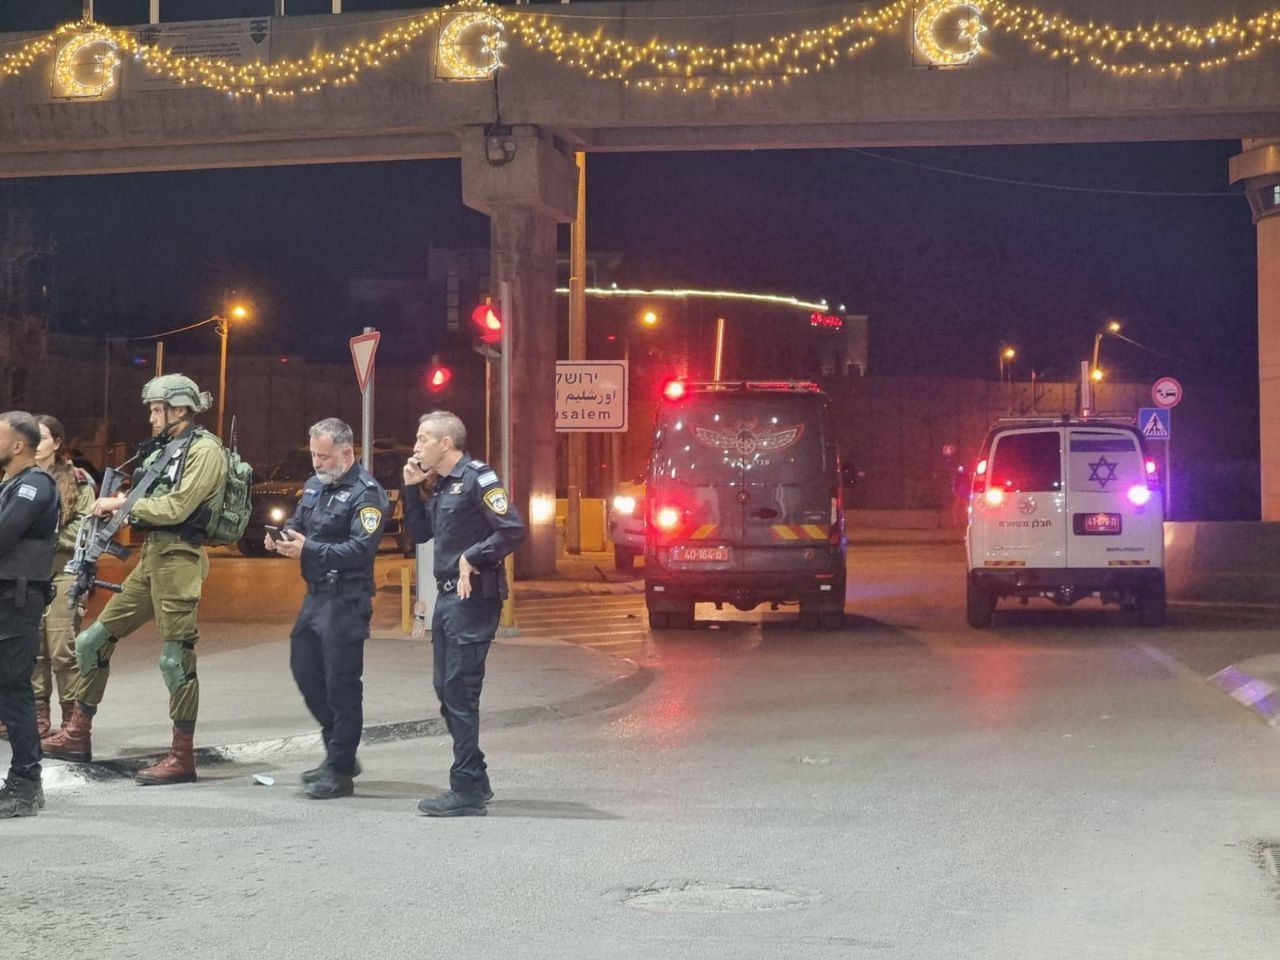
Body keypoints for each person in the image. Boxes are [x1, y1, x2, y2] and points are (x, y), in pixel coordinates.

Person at [41, 375, 228, 785]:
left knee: (175, 659)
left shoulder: (206, 451)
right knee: (91, 642)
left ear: (181, 409)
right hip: (152, 557)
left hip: (180, 559)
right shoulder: (165, 449)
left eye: (158, 410)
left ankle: (182, 756)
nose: (152, 417)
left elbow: (178, 506)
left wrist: (121, 504)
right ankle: (77, 734)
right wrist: (121, 505)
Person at [402, 410, 526, 817]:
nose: (416, 446)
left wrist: (474, 556)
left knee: (460, 689)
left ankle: (467, 787)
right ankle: (475, 777)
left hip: (474, 597)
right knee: (445, 688)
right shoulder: (442, 485)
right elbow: (422, 534)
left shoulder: (478, 479)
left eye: (423, 439)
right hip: (447, 598)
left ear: (446, 444)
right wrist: (411, 490)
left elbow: (512, 529)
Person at [268, 418, 387, 800]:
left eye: (324, 456)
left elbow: (360, 550)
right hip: (316, 596)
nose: (317, 463)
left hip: (347, 599)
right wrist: (282, 538)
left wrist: (309, 549)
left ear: (347, 453)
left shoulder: (367, 494)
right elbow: (299, 522)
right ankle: (340, 751)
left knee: (341, 685)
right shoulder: (314, 486)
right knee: (305, 671)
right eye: (314, 455)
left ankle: (339, 768)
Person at [0, 412, 59, 819]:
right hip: (7, 597)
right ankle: (24, 781)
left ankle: (25, 782)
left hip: (16, 601)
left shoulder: (35, 485)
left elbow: (3, 534)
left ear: (18, 445)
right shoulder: (11, 484)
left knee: (13, 687)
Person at [31, 415, 96, 739]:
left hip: (64, 572)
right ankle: (38, 715)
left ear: (57, 443)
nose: (35, 443)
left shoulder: (78, 480)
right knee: (33, 650)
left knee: (62, 649)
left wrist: (40, 535)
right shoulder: (15, 478)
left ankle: (72, 718)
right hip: (27, 574)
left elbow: (84, 528)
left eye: (42, 437)